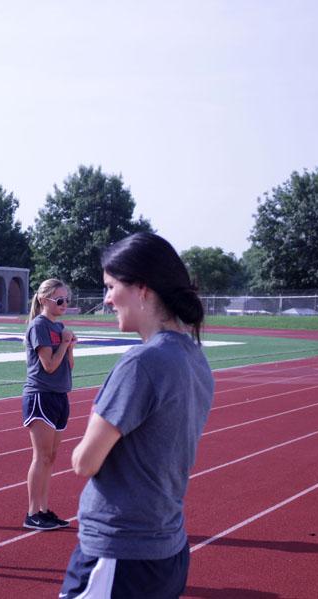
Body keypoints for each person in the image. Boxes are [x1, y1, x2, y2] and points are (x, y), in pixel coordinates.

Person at [60, 233, 214, 599]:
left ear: (142, 288)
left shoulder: (141, 363)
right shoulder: (195, 358)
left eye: (112, 287)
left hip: (120, 550)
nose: (108, 299)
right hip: (168, 546)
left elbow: (84, 461)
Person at [22, 278, 76, 531]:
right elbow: (49, 365)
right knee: (41, 456)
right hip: (41, 395)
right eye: (60, 300)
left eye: (66, 299)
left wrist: (70, 346)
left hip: (59, 394)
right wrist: (64, 343)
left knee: (51, 457)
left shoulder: (59, 326)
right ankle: (33, 512)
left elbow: (68, 365)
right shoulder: (39, 326)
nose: (65, 304)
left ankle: (43, 509)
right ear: (44, 300)